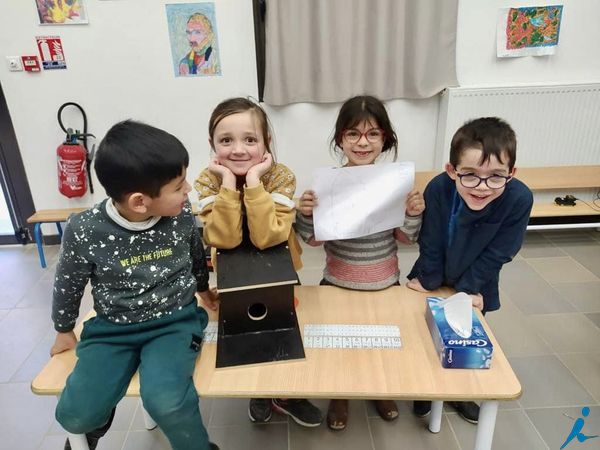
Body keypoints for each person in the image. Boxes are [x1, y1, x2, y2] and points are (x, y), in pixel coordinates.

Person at [50, 120, 219, 450]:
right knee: (75, 414)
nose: (188, 191)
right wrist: (63, 328)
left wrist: (203, 290)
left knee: (167, 402)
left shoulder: (181, 216)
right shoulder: (84, 229)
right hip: (112, 329)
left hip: (175, 325)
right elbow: (67, 281)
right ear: (140, 201)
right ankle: (98, 416)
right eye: (179, 185)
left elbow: (197, 255)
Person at [295, 95, 425, 431]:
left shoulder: (395, 184)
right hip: (338, 283)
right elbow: (312, 240)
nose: (362, 142)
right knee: (341, 345)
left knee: (382, 343)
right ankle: (340, 395)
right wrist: (306, 213)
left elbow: (407, 238)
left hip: (384, 284)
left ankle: (379, 389)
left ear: (386, 139)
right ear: (340, 139)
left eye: (373, 134)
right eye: (353, 134)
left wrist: (412, 214)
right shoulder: (329, 185)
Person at [194, 97, 322, 427]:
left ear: (266, 143)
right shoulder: (208, 181)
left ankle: (287, 394)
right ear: (212, 145)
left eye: (250, 139)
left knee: (282, 329)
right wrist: (227, 184)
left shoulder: (279, 177)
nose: (238, 150)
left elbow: (268, 236)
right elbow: (225, 238)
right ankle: (260, 392)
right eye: (226, 140)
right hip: (233, 278)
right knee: (247, 332)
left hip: (277, 275)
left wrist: (252, 183)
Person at [406, 117, 533, 424]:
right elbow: (431, 239)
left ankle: (458, 393)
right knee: (423, 337)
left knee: (465, 339)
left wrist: (467, 290)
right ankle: (424, 391)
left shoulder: (519, 199)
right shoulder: (438, 188)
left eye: (495, 177)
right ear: (452, 170)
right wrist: (428, 279)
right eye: (471, 175)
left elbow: (501, 251)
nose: (482, 187)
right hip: (431, 275)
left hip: (477, 282)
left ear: (511, 174)